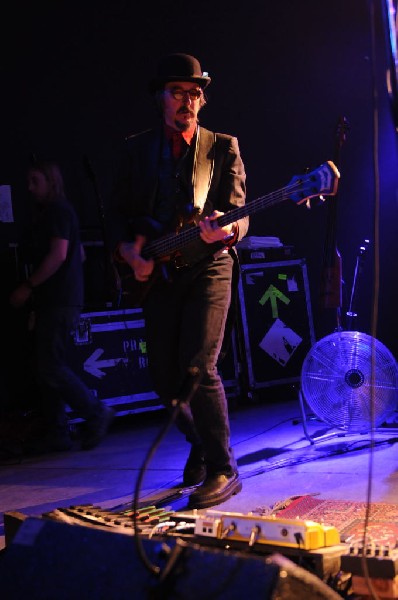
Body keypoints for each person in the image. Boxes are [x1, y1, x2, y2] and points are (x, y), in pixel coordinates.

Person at [113, 53, 249, 509]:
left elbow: (237, 213)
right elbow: (118, 218)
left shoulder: (222, 146)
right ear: (161, 98)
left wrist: (226, 229)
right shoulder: (136, 150)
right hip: (160, 274)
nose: (187, 101)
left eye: (194, 94)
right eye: (177, 92)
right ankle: (202, 444)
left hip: (210, 265)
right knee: (164, 381)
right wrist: (132, 254)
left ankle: (224, 468)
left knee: (199, 366)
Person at [9, 159, 114, 452]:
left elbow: (59, 255)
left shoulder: (56, 212)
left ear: (51, 182)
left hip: (58, 301)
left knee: (50, 366)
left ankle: (95, 412)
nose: (29, 188)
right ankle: (58, 432)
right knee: (47, 366)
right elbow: (78, 255)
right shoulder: (58, 213)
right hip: (59, 300)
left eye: (35, 181)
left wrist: (29, 287)